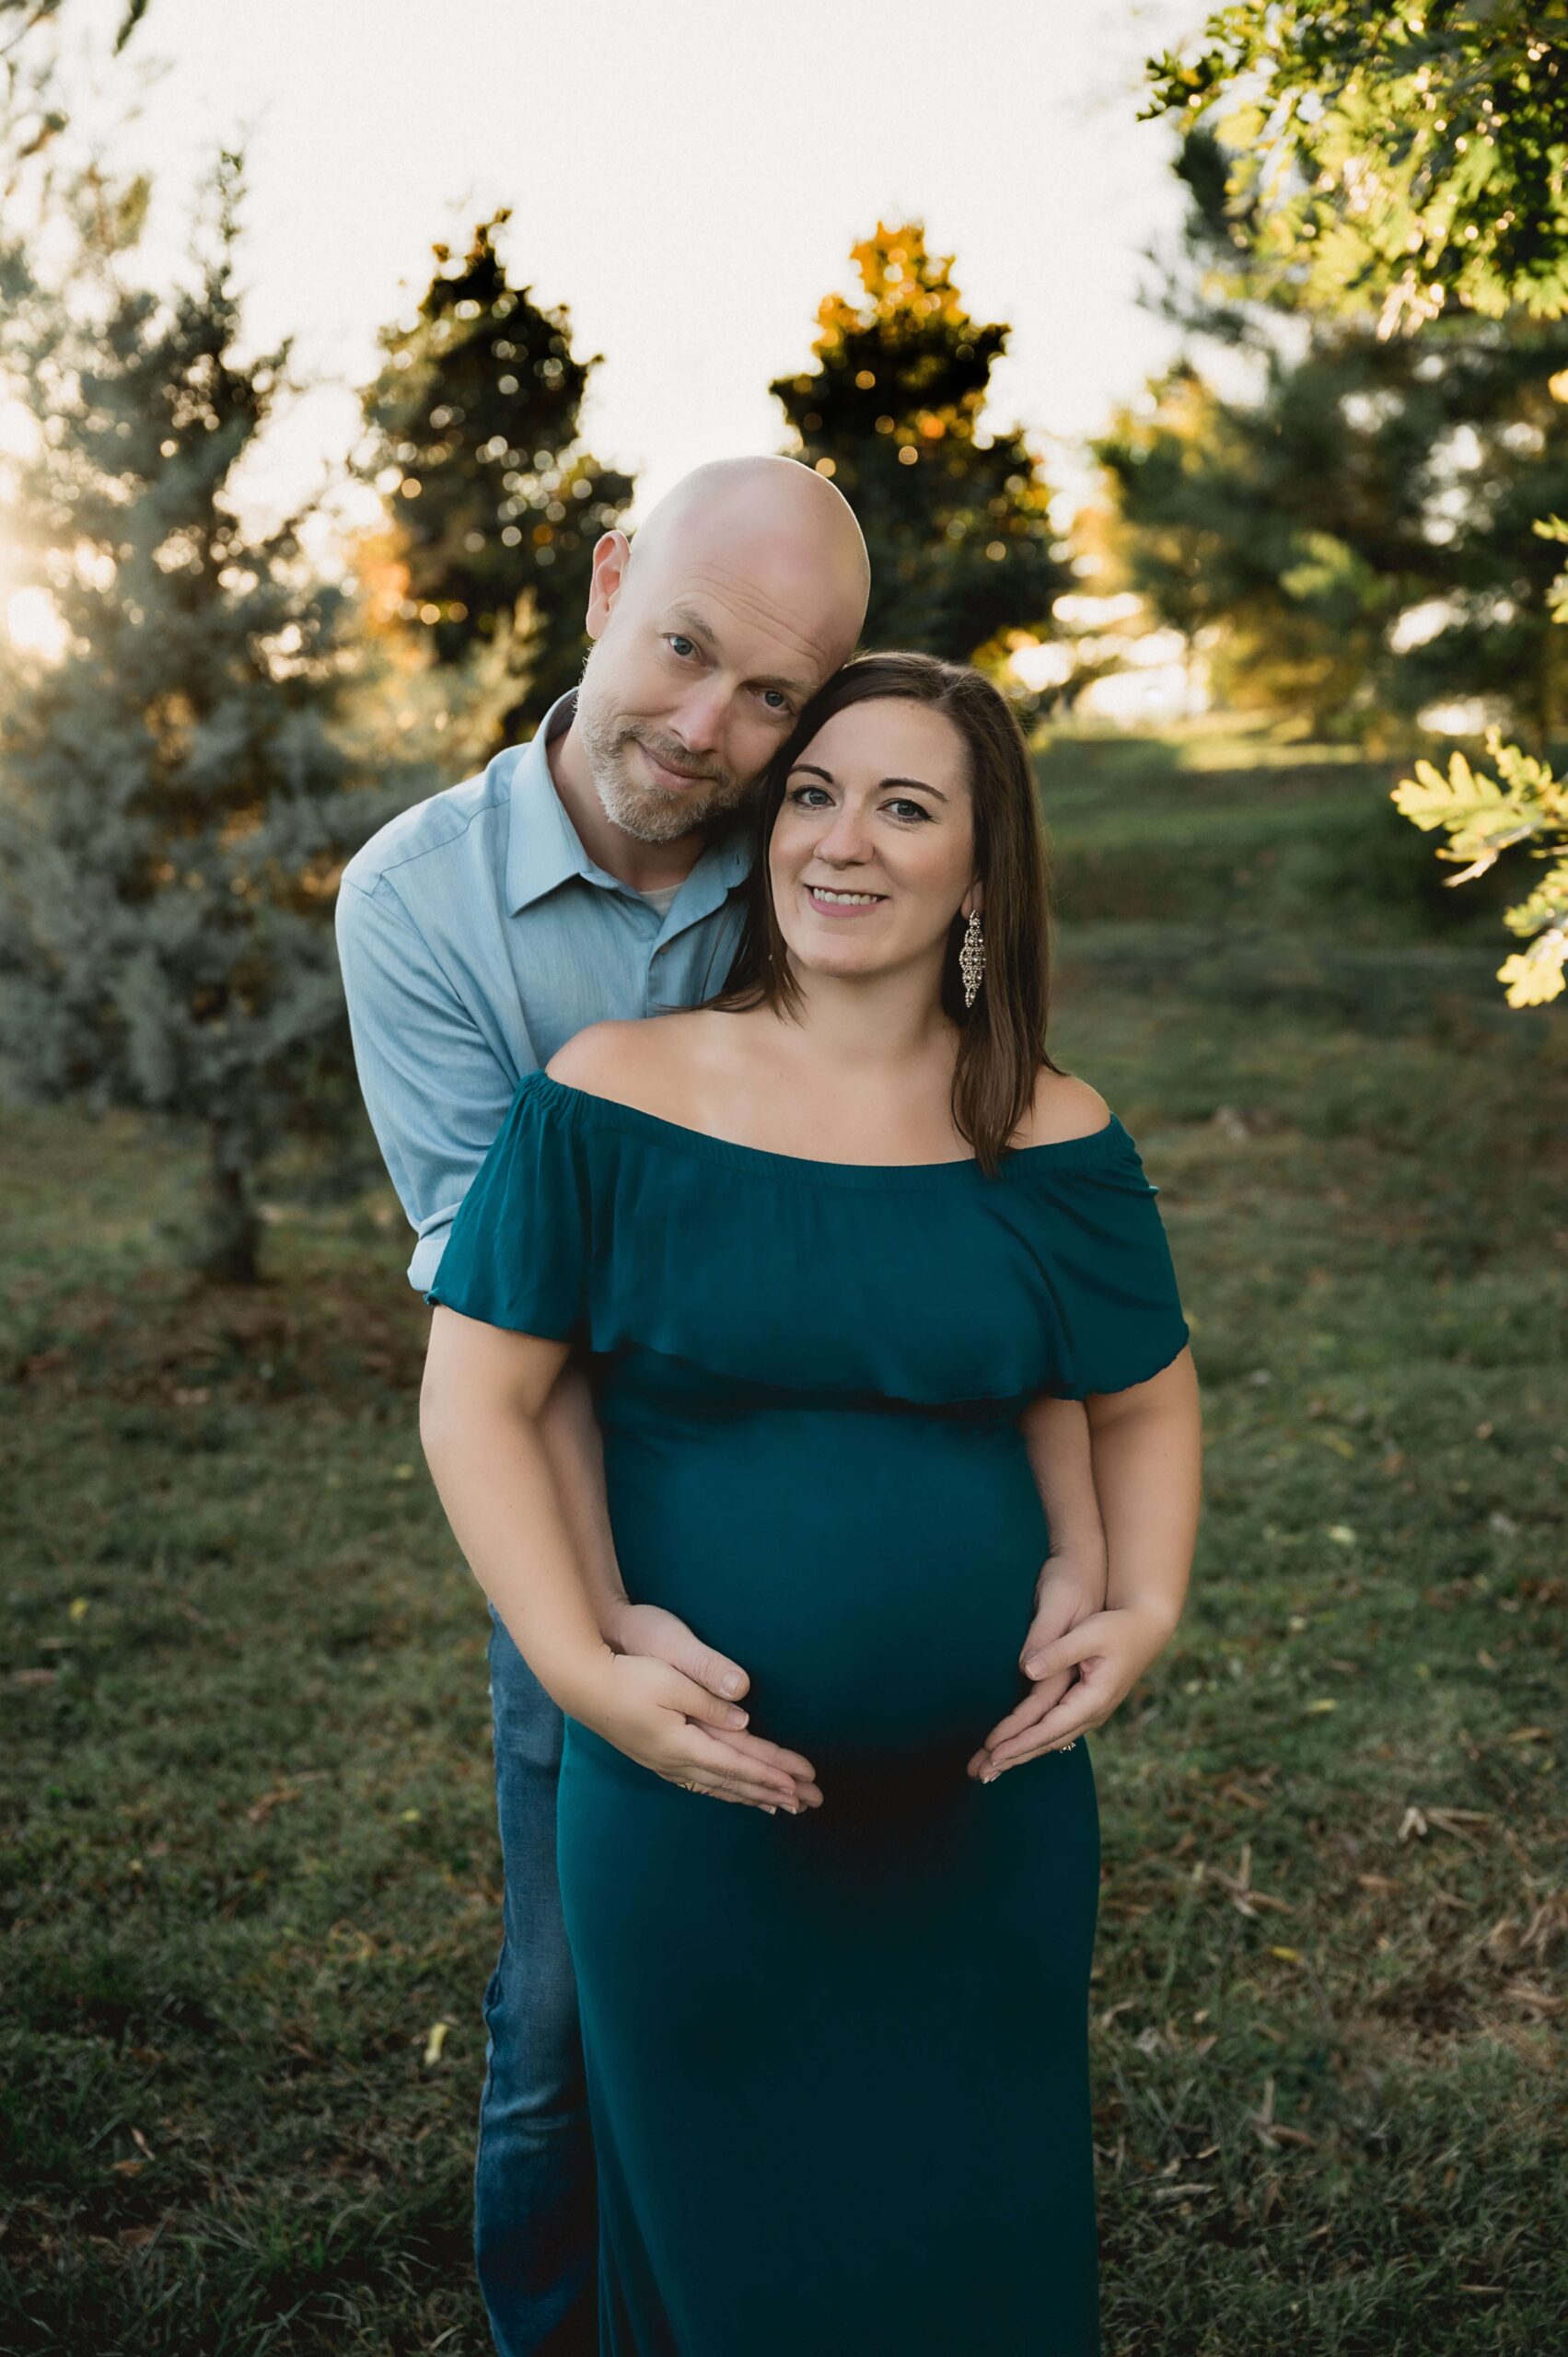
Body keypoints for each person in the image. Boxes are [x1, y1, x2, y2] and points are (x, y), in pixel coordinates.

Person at [335, 461, 1112, 2355]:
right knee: (561, 2022)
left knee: (854, 2046)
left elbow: (970, 1186)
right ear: (609, 580)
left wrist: (1074, 1530)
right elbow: (511, 1342)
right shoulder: (427, 907)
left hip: (900, 1613)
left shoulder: (819, 824)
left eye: (778, 699)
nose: (716, 732)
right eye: (684, 653)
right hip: (597, 1518)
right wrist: (602, 1628)